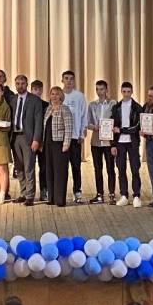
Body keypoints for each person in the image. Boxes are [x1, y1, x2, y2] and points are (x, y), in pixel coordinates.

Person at [10, 74, 43, 206]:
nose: (20, 86)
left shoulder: (35, 100)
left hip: (28, 137)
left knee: (29, 167)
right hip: (14, 137)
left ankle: (30, 195)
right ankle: (23, 193)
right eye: (17, 83)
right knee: (19, 167)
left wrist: (36, 139)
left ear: (27, 84)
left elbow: (38, 121)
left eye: (22, 83)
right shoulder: (12, 99)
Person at [111, 81, 142, 207]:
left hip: (132, 142)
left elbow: (137, 127)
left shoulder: (137, 108)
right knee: (121, 169)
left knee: (135, 169)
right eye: (124, 91)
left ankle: (136, 196)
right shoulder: (116, 107)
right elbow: (113, 126)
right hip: (120, 143)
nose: (126, 94)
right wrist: (113, 144)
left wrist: (122, 130)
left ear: (132, 92)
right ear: (121, 92)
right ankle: (124, 195)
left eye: (129, 91)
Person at [87, 80, 117, 205]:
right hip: (96, 142)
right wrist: (93, 127)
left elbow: (117, 120)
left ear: (106, 90)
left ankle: (112, 194)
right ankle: (99, 194)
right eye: (97, 89)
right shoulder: (92, 105)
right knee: (97, 169)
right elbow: (87, 122)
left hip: (109, 142)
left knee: (110, 168)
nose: (99, 92)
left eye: (102, 89)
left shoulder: (113, 104)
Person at [44, 86, 73, 207]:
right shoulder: (48, 109)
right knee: (49, 171)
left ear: (61, 96)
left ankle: (60, 199)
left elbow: (69, 128)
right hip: (48, 143)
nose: (54, 96)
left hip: (60, 144)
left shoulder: (64, 109)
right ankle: (51, 198)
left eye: (57, 94)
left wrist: (66, 143)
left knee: (60, 171)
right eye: (52, 94)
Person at [61, 70, 88, 204]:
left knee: (76, 166)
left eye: (71, 78)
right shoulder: (58, 95)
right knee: (62, 168)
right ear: (62, 80)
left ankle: (77, 192)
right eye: (66, 78)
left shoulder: (79, 96)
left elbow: (84, 115)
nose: (69, 81)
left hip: (75, 136)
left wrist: (82, 133)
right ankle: (61, 193)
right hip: (61, 138)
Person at [31, 80, 49, 201]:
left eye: (39, 89)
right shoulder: (27, 103)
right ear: (31, 90)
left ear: (42, 90)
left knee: (44, 168)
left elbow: (45, 126)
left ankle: (44, 191)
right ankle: (29, 192)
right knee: (29, 168)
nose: (37, 92)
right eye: (35, 89)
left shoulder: (46, 105)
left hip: (42, 142)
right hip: (29, 141)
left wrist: (41, 141)